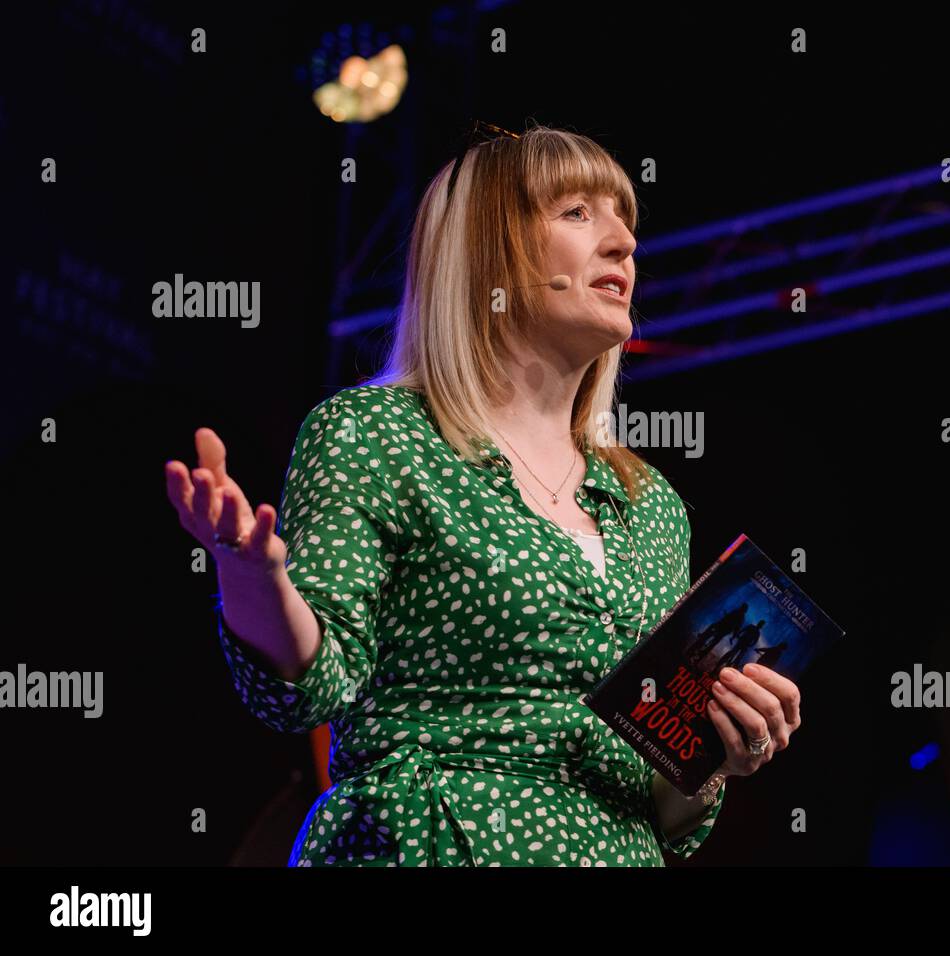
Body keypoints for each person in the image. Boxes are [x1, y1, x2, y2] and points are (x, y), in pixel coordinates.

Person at [163, 122, 803, 866]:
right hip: (432, 843)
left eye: (625, 217)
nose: (624, 241)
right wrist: (252, 576)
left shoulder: (648, 504)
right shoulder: (378, 433)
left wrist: (715, 756)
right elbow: (307, 690)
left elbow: (659, 805)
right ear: (488, 253)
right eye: (578, 213)